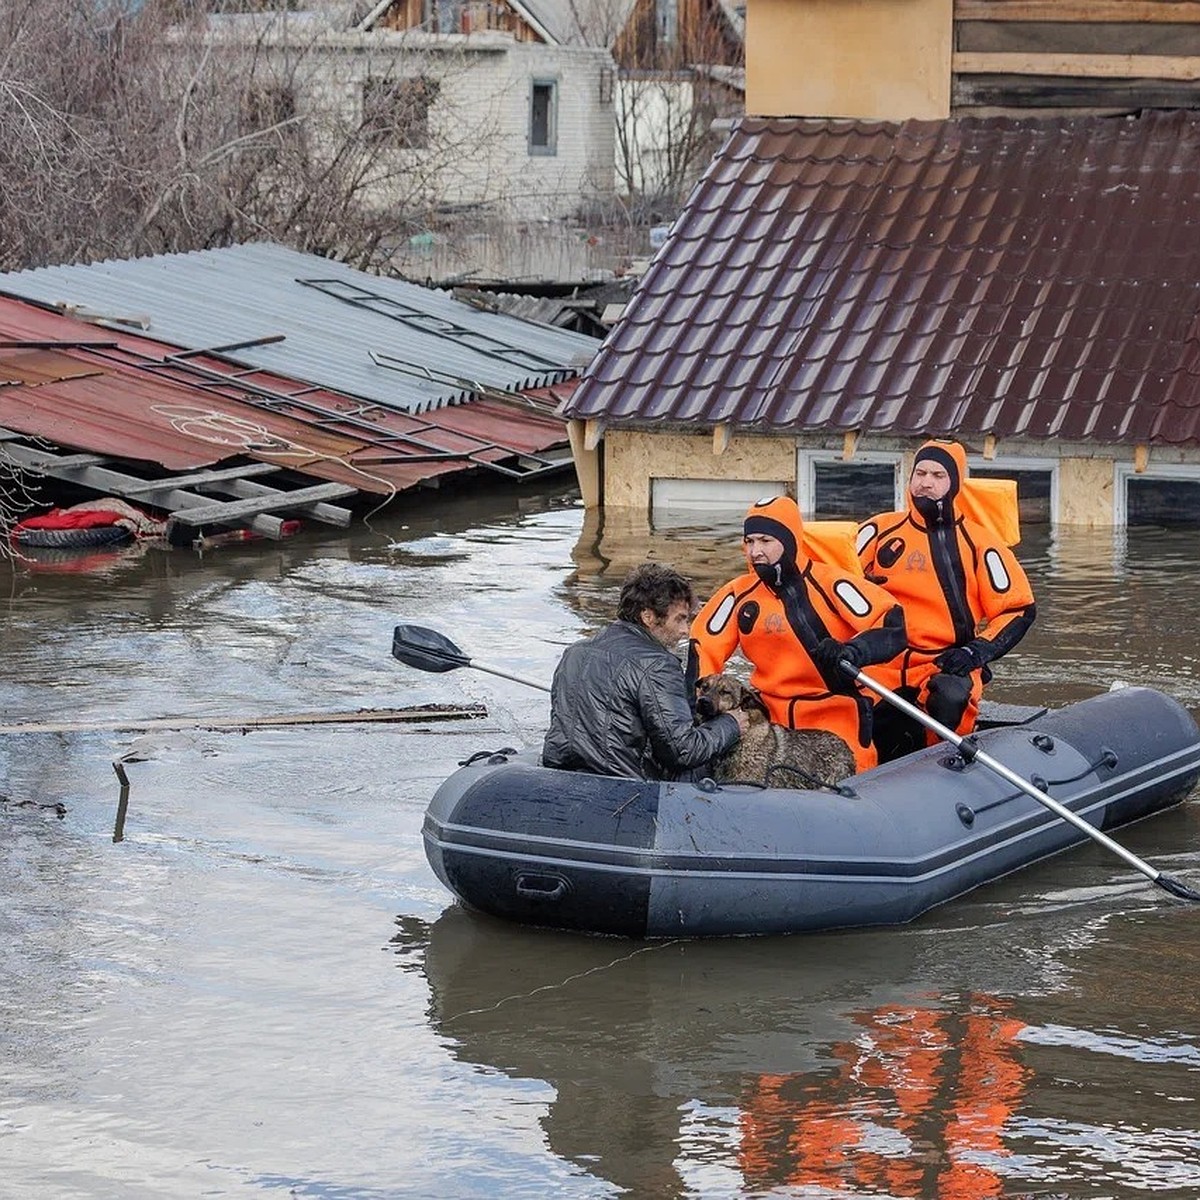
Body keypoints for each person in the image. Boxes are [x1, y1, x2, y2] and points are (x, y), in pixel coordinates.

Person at [689, 496, 906, 773]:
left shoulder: (832, 583)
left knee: (849, 779)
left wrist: (851, 650)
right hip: (770, 722)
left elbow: (892, 625)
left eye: (765, 541)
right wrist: (701, 706)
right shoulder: (738, 594)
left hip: (835, 716)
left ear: (790, 539)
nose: (755, 551)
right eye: (750, 541)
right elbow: (702, 648)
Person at [856, 439, 1036, 761]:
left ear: (955, 484)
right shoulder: (878, 530)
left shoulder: (980, 542)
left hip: (945, 662)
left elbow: (1018, 609)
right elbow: (829, 584)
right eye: (920, 473)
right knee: (852, 708)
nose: (926, 482)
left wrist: (975, 651)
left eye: (938, 475)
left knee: (950, 696)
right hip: (883, 662)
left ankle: (939, 766)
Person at [542, 562, 749, 780]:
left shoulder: (575, 652)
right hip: (627, 787)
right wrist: (730, 724)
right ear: (648, 616)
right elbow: (683, 751)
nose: (685, 630)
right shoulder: (658, 665)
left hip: (562, 779)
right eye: (679, 619)